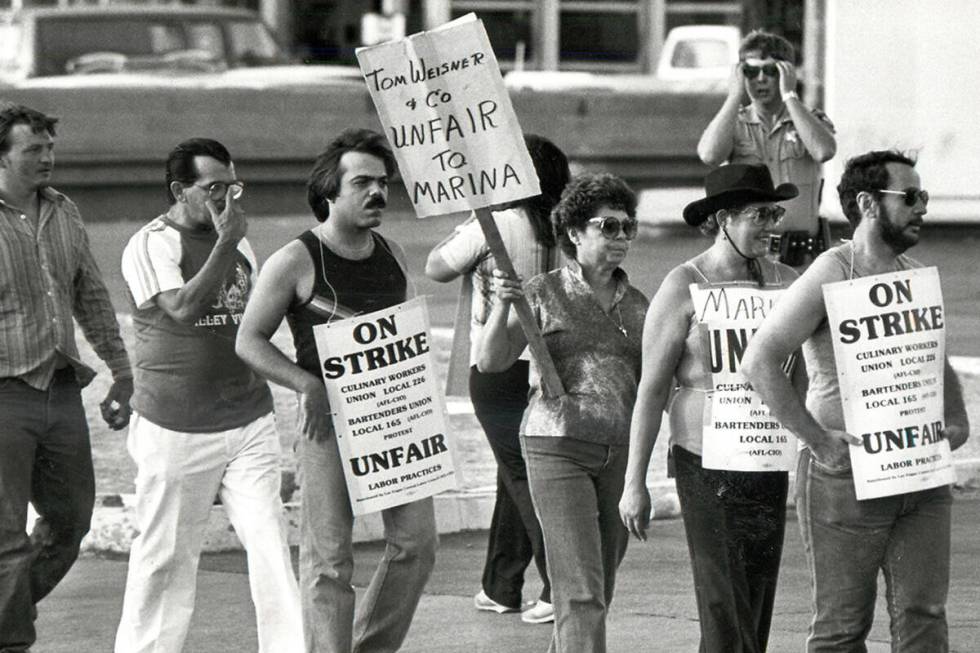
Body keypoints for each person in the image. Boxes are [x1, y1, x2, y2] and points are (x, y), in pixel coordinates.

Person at [741, 150, 970, 652]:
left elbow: (933, 354)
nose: (922, 207)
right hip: (846, 476)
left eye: (923, 196)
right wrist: (818, 441)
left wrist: (954, 415)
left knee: (924, 613)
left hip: (918, 468)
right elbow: (759, 361)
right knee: (842, 627)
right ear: (867, 203)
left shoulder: (914, 273)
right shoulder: (830, 272)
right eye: (910, 197)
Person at [235, 128, 437, 653]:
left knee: (417, 544)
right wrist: (307, 386)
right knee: (328, 560)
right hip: (327, 424)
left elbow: (405, 339)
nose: (378, 193)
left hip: (394, 421)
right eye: (363, 182)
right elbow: (248, 341)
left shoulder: (392, 252)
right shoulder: (296, 259)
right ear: (331, 189)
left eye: (384, 183)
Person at [113, 138, 302, 652]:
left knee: (270, 544)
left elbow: (254, 320)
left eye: (233, 187)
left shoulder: (238, 241)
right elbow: (182, 308)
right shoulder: (150, 244)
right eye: (214, 189)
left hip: (247, 419)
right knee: (165, 558)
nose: (227, 201)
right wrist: (223, 242)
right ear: (180, 190)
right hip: (174, 426)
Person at [618, 164, 801, 653]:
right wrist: (635, 483)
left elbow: (805, 374)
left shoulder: (787, 281)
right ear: (724, 218)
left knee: (755, 603)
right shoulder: (684, 285)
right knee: (724, 606)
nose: (772, 225)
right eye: (761, 215)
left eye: (775, 213)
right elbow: (651, 390)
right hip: (705, 464)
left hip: (766, 458)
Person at [479, 173, 648, 653]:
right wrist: (500, 307)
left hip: (617, 451)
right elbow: (492, 362)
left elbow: (657, 384)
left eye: (627, 227)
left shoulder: (638, 305)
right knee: (580, 591)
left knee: (598, 590)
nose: (620, 237)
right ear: (574, 233)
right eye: (607, 226)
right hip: (556, 447)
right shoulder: (540, 291)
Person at [0, 102, 133, 652]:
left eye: (50, 147)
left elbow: (92, 295)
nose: (47, 158)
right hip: (3, 392)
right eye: (33, 149)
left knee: (69, 523)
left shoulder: (64, 211)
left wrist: (121, 371)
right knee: (6, 541)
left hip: (60, 390)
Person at [424, 134, 570, 624]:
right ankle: (501, 583)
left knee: (523, 474)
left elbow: (437, 267)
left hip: (499, 362)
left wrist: (474, 216)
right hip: (554, 363)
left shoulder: (497, 223)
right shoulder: (566, 227)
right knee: (515, 473)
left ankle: (559, 585)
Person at [697, 29, 837, 267]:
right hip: (749, 253)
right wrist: (734, 96)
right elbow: (709, 155)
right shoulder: (735, 122)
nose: (760, 79)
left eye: (771, 71)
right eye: (751, 72)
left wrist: (790, 94)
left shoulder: (809, 120)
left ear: (787, 73)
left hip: (801, 256)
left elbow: (824, 151)